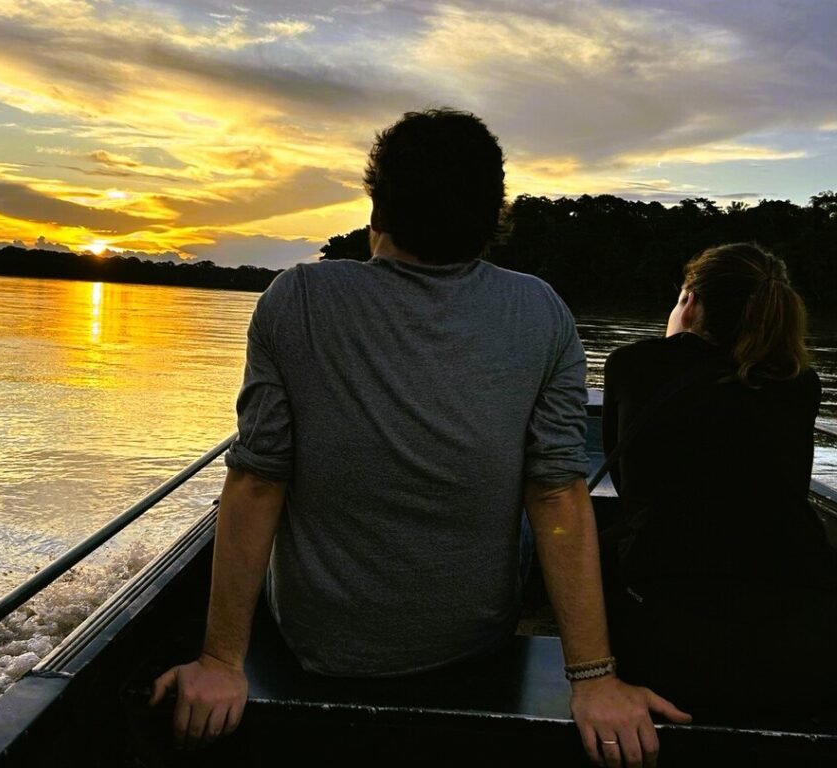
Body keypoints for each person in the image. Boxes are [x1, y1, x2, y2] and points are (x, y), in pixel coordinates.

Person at [152, 108, 690, 765]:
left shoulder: (296, 298)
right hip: (473, 638)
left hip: (320, 644)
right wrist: (593, 676)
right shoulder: (542, 310)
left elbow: (259, 481)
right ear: (494, 216)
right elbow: (555, 497)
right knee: (532, 497)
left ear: (379, 204)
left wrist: (219, 660)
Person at [602, 243, 837, 725]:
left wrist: (675, 340)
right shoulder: (800, 383)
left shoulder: (633, 366)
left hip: (672, 628)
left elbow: (631, 491)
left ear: (689, 302)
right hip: (803, 630)